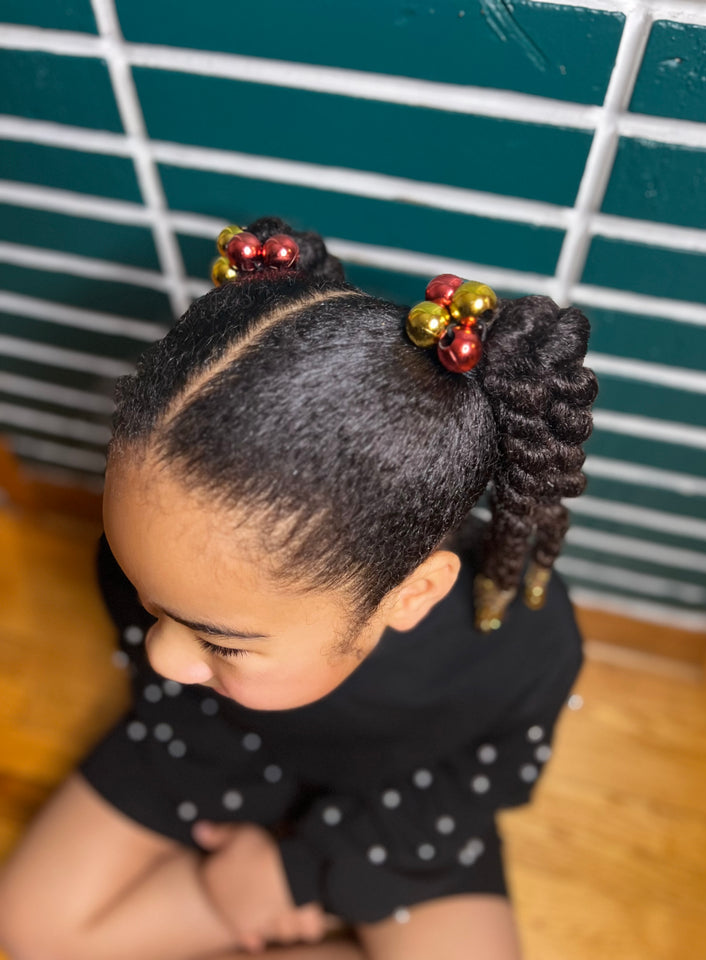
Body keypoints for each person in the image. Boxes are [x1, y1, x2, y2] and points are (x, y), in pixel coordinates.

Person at [0, 216, 597, 960]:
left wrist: (297, 874)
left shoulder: (519, 647)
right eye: (152, 602)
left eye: (218, 639)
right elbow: (168, 696)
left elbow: (485, 779)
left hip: (397, 811)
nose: (159, 655)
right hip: (215, 750)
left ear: (410, 597)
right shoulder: (168, 584)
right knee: (29, 926)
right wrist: (225, 886)